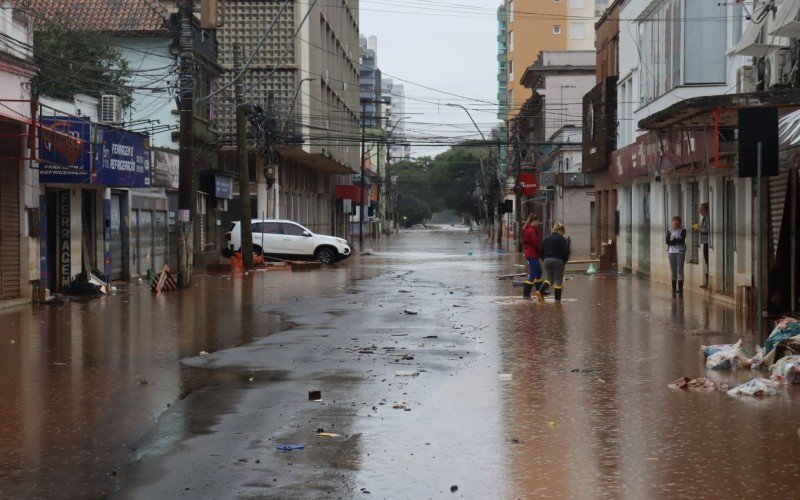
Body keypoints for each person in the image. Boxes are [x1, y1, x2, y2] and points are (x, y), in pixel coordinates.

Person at [537, 222, 570, 302]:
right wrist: (564, 262)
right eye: (563, 232)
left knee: (549, 280)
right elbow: (566, 252)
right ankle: (557, 301)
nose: (563, 234)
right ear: (560, 230)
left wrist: (543, 260)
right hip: (558, 261)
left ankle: (540, 291)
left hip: (547, 260)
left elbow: (542, 250)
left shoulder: (547, 238)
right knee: (558, 281)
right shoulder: (561, 239)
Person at [521, 214, 542, 298]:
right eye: (538, 221)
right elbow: (535, 243)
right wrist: (540, 252)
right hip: (532, 253)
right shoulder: (532, 230)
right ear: (534, 221)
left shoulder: (526, 229)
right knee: (533, 274)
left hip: (529, 253)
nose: (539, 223)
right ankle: (526, 294)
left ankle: (539, 291)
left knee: (539, 272)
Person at [667, 215, 687, 294]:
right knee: (673, 271)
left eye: (677, 221)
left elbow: (682, 240)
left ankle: (680, 288)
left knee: (680, 270)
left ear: (680, 223)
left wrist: (673, 240)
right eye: (674, 221)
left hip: (680, 252)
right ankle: (674, 288)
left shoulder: (683, 230)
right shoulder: (670, 230)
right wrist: (676, 240)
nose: (676, 222)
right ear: (673, 222)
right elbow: (667, 241)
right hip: (671, 252)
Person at [692, 203, 710, 288]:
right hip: (704, 242)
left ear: (706, 209)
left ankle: (708, 281)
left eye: (701, 210)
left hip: (708, 242)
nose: (700, 212)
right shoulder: (704, 218)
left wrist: (699, 228)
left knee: (708, 262)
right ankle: (707, 281)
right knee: (707, 262)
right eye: (699, 210)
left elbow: (708, 230)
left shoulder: (708, 218)